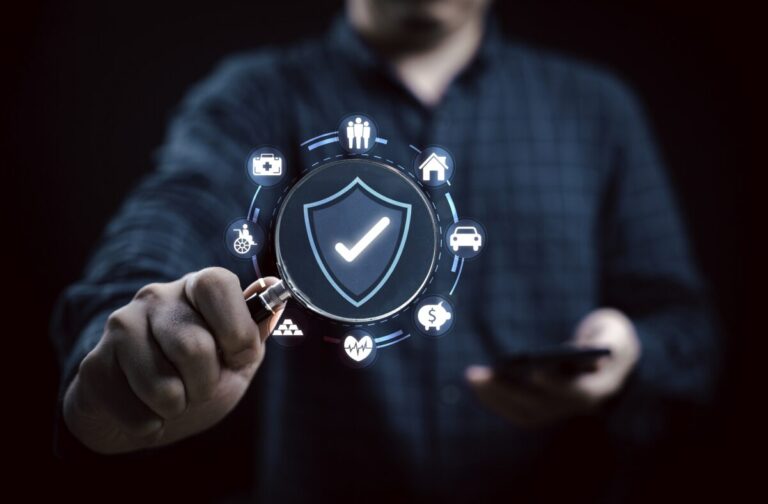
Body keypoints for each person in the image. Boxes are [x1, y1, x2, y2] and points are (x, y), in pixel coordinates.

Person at [51, 0, 718, 501]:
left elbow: (684, 328)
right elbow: (169, 219)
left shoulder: (597, 109)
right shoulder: (253, 96)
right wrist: (129, 347)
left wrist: (628, 352)